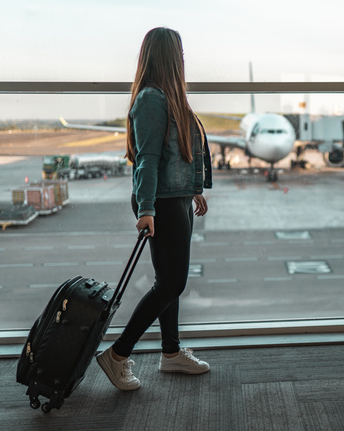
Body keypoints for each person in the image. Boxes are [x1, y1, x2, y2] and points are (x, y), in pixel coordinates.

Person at [96, 27, 213, 391]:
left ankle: (171, 352)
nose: (183, 58)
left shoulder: (171, 96)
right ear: (166, 56)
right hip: (158, 202)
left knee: (169, 282)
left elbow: (182, 151)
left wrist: (193, 190)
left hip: (174, 198)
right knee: (173, 282)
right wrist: (146, 208)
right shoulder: (150, 99)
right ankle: (117, 355)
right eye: (178, 52)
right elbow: (146, 160)